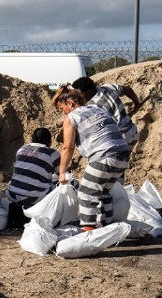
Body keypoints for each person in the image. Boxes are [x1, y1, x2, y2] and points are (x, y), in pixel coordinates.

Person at [54, 85, 130, 230]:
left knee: (86, 194)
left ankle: (88, 233)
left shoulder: (72, 117)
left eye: (62, 108)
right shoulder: (98, 109)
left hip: (103, 156)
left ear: (70, 104)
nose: (63, 112)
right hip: (122, 156)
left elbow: (67, 148)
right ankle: (107, 228)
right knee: (104, 193)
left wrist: (62, 173)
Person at [5, 127, 61, 227]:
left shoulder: (22, 149)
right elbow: (63, 176)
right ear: (49, 140)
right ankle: (56, 220)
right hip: (32, 198)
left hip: (11, 194)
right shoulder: (52, 154)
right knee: (60, 187)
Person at [70, 76, 140, 147]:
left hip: (118, 141)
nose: (77, 98)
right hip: (132, 133)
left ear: (88, 91)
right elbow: (128, 90)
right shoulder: (108, 88)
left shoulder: (92, 107)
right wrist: (136, 103)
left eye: (79, 94)